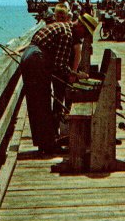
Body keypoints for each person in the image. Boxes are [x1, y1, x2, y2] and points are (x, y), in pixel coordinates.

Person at [18, 13, 97, 154]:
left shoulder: (61, 27)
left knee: (36, 103)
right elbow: (60, 65)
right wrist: (77, 75)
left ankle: (44, 142)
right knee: (42, 103)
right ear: (80, 26)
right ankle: (47, 145)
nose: (84, 37)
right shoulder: (67, 35)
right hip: (36, 60)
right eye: (85, 33)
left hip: (30, 57)